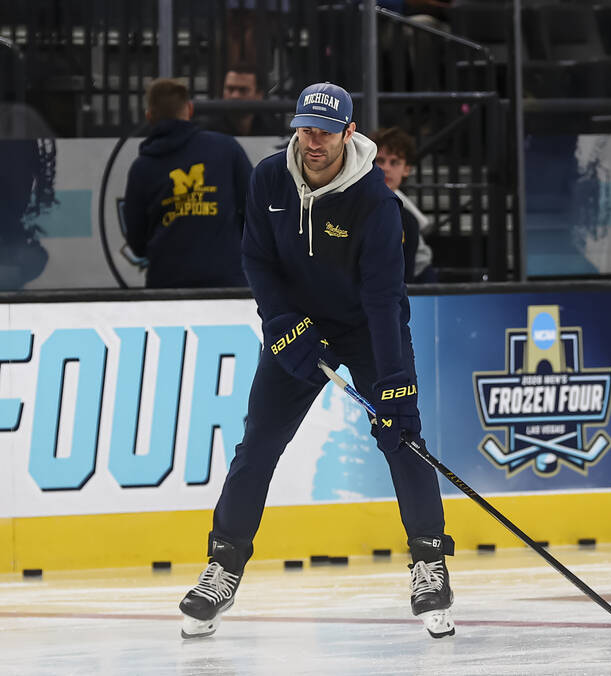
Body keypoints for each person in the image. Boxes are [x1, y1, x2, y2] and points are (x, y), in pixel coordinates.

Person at [178, 82, 455, 640]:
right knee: (257, 443)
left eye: (325, 131)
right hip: (297, 324)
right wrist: (281, 327)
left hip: (365, 327)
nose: (313, 141)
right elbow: (257, 258)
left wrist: (395, 382)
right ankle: (222, 567)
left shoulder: (376, 200)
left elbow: (384, 298)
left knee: (404, 438)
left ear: (349, 133)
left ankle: (430, 562)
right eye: (306, 128)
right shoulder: (268, 178)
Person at [122, 79, 252, 288]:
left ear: (149, 116)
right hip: (227, 282)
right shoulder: (226, 148)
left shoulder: (141, 168)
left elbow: (136, 241)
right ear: (189, 110)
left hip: (166, 284)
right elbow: (256, 210)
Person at [370, 127, 438, 283]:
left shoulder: (407, 216)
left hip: (414, 278)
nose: (386, 168)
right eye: (380, 161)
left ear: (407, 170)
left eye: (394, 162)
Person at [203, 64, 285, 137]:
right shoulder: (208, 130)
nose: (235, 96)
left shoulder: (272, 128)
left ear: (259, 94)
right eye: (230, 89)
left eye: (243, 90)